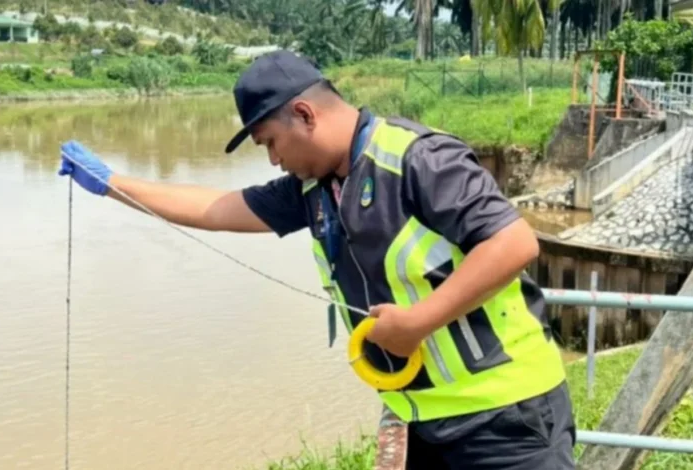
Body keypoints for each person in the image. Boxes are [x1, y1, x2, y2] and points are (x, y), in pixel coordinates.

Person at [58, 50, 576, 469]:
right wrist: (112, 184)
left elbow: (513, 243)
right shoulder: (314, 189)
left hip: (508, 418)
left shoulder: (418, 159)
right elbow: (216, 209)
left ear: (305, 114)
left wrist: (418, 322)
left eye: (271, 143)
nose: (274, 159)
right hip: (427, 419)